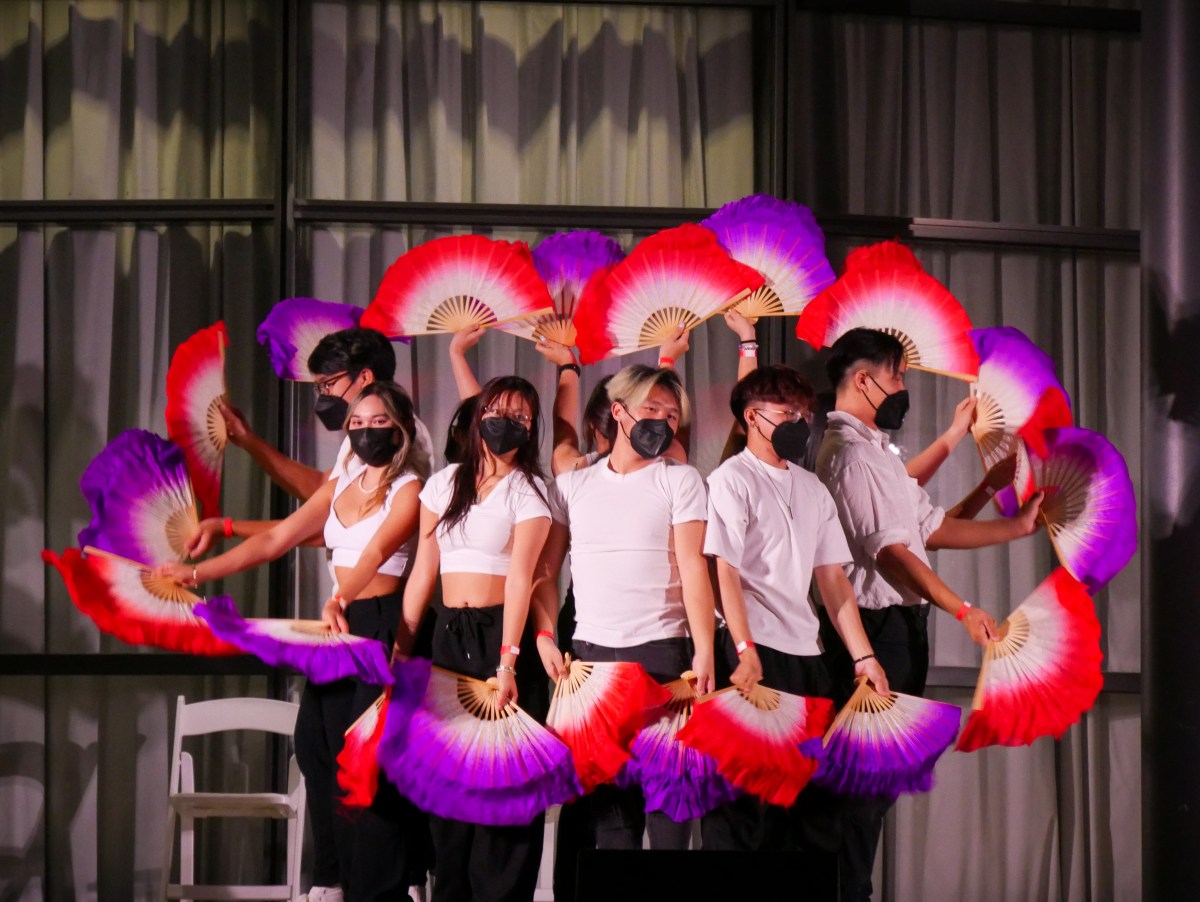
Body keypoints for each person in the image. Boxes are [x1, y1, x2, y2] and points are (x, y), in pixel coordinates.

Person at [157, 381, 430, 902]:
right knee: (321, 754)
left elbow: (374, 553)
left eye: (380, 424)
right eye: (358, 424)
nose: (368, 433)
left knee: (368, 769)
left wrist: (340, 596)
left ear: (401, 429)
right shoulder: (344, 479)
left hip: (378, 625)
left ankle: (386, 889)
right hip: (337, 628)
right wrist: (196, 573)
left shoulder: (410, 487)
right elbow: (278, 538)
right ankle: (343, 882)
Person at [814, 328, 1044, 901]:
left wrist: (1007, 513)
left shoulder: (875, 453)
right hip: (871, 635)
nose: (903, 387)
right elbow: (893, 554)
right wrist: (962, 608)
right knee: (858, 801)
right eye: (896, 375)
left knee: (872, 796)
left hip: (898, 633)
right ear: (862, 380)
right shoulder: (848, 454)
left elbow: (930, 529)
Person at [701, 365, 889, 854]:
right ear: (751, 417)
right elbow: (725, 571)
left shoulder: (812, 487)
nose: (798, 422)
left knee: (809, 809)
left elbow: (832, 579)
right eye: (786, 413)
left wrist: (864, 657)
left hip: (807, 655)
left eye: (803, 413)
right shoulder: (730, 479)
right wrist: (742, 648)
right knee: (743, 805)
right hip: (751, 651)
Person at [393, 375, 554, 902]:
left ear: (532, 430)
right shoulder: (443, 484)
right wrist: (402, 646)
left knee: (502, 791)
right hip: (446, 639)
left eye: (523, 417)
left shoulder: (530, 489)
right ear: (479, 413)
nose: (509, 422)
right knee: (450, 794)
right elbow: (422, 573)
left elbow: (522, 579)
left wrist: (508, 663)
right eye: (500, 410)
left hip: (498, 638)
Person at [543, 363, 715, 852]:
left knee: (668, 812)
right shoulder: (574, 485)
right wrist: (542, 637)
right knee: (611, 820)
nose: (662, 421)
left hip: (664, 657)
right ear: (618, 412)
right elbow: (545, 574)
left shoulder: (681, 480)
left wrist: (704, 649)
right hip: (593, 662)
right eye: (651, 409)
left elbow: (694, 568)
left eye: (672, 414)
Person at [188, 327, 433, 554]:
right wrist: (249, 441)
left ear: (365, 377)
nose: (325, 397)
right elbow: (323, 488)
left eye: (328, 385)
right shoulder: (363, 435)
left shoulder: (386, 438)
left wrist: (229, 528)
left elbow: (324, 526)